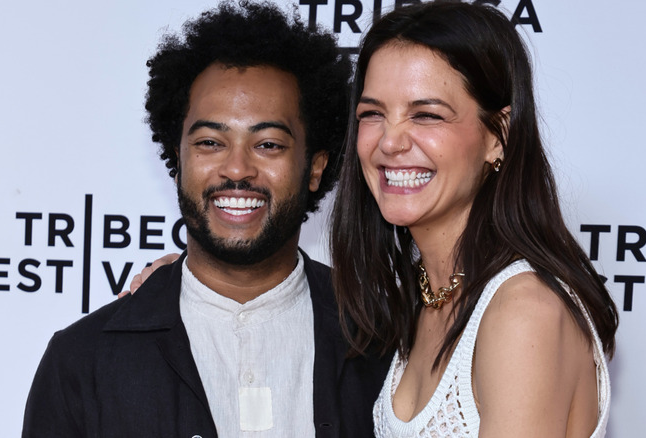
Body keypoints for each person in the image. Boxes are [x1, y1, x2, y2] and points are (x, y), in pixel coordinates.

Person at [22, 2, 389, 437]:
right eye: (211, 142)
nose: (237, 169)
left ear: (315, 166)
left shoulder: (385, 343)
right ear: (177, 160)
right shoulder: (82, 362)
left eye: (268, 144)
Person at [330, 2, 619, 437]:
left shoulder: (523, 311)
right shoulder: (423, 292)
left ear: (498, 136)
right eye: (372, 114)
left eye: (426, 114)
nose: (389, 142)